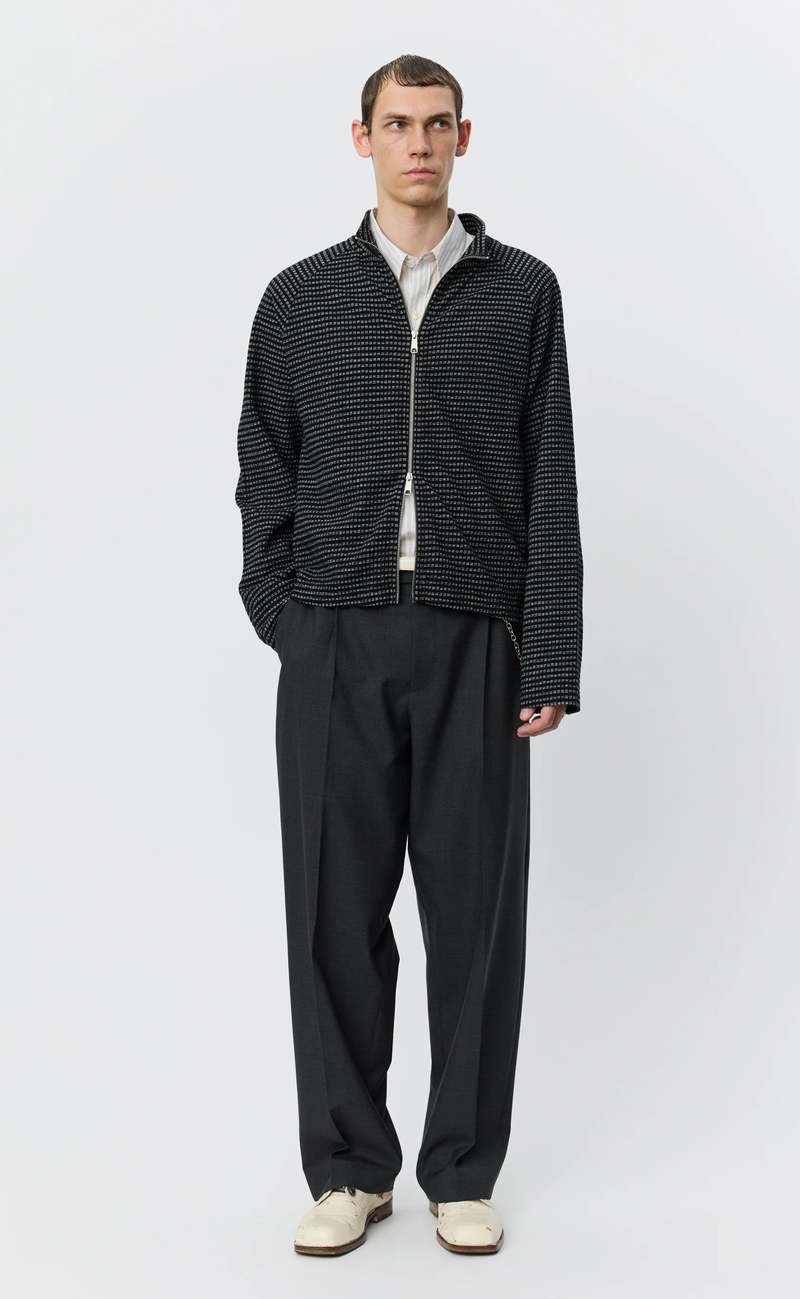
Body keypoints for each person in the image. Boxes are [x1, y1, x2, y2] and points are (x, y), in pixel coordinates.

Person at [234, 53, 583, 1257]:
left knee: (475, 919)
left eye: (436, 125)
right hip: (332, 635)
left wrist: (546, 654)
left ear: (462, 139)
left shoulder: (521, 293)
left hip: (474, 635)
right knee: (333, 912)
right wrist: (282, 615)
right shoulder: (300, 298)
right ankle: (348, 1169)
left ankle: (461, 1172)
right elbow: (263, 467)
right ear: (363, 138)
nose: (418, 144)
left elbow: (549, 476)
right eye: (397, 124)